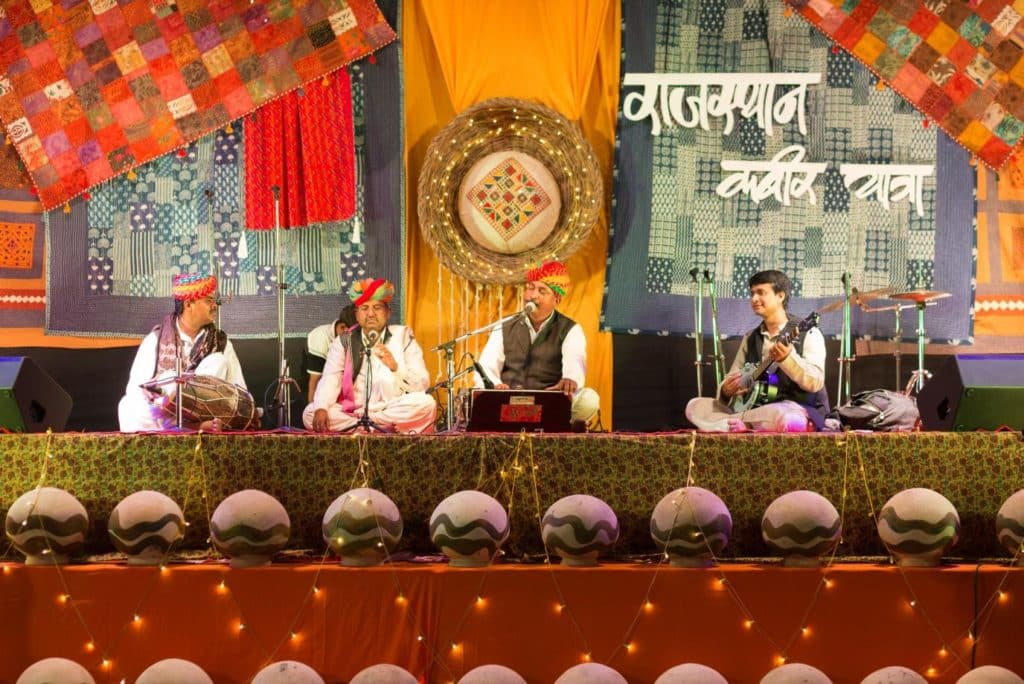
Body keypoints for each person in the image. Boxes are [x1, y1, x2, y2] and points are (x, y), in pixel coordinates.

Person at [685, 269, 828, 432]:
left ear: (780, 296)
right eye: (752, 293)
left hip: (794, 408)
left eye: (761, 293)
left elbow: (815, 382)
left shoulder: (808, 332)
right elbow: (733, 376)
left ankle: (726, 425)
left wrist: (787, 360)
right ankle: (742, 425)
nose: (754, 299)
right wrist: (726, 390)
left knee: (788, 418)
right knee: (694, 406)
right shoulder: (750, 337)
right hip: (754, 412)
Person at [303, 277, 436, 433]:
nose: (371, 314)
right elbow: (331, 377)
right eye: (364, 308)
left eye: (377, 307)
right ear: (357, 314)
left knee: (426, 404)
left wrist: (395, 368)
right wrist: (322, 407)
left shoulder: (403, 336)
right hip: (352, 411)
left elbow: (422, 383)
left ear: (388, 312)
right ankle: (378, 428)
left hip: (391, 407)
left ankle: (364, 426)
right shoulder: (344, 341)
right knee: (310, 412)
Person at [118, 274, 248, 432]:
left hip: (206, 414)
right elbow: (136, 390)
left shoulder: (221, 344)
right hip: (163, 415)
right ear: (189, 304)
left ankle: (188, 426)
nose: (215, 305)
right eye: (209, 300)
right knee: (127, 407)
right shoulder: (155, 340)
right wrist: (166, 392)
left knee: (217, 361)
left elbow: (240, 393)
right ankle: (188, 427)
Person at [475, 261, 600, 424]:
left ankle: (558, 427)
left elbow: (575, 362)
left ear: (557, 298)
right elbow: (485, 366)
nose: (533, 296)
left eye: (542, 291)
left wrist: (570, 379)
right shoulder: (504, 325)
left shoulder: (570, 329)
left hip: (548, 404)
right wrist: (495, 386)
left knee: (589, 399)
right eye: (530, 288)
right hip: (508, 403)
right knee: (476, 397)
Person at [305, 304, 358, 403]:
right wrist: (313, 410)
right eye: (356, 331)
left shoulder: (350, 337)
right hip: (319, 375)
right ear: (343, 327)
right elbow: (314, 382)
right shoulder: (320, 338)